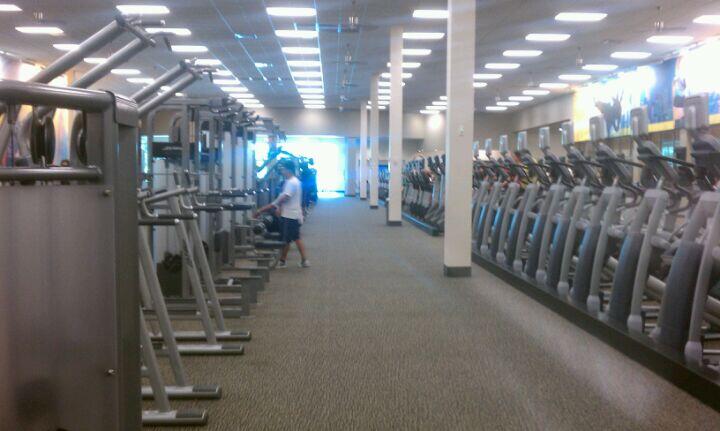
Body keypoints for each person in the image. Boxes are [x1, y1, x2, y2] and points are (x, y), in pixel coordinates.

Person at [255, 159, 310, 268]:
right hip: (292, 214)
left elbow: (284, 197)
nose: (281, 171)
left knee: (289, 239)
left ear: (289, 170)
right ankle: (288, 260)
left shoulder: (291, 182)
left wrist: (263, 209)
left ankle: (287, 261)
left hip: (290, 215)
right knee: (292, 238)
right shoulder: (293, 181)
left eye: (283, 169)